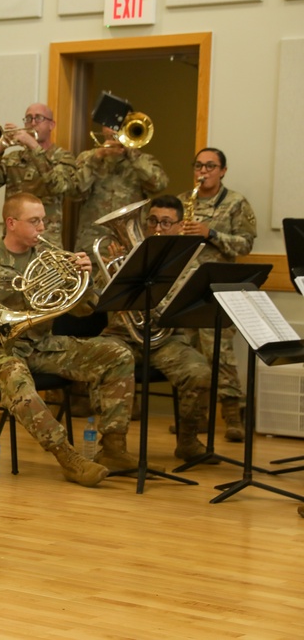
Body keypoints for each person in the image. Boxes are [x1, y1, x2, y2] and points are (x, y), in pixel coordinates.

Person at [0, 193, 138, 487]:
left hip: (40, 345)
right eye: (34, 221)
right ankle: (68, 458)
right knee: (15, 376)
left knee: (118, 354)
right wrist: (9, 325)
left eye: (43, 220)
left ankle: (114, 447)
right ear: (11, 223)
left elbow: (81, 310)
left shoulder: (50, 258)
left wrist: (86, 281)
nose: (42, 228)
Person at [99, 195, 216, 462]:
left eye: (165, 222)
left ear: (178, 225)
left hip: (165, 340)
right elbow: (97, 300)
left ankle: (187, 441)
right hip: (121, 337)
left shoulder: (188, 263)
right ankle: (112, 448)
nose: (158, 228)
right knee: (108, 363)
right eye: (152, 221)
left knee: (200, 373)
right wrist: (117, 272)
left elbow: (175, 306)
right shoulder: (122, 257)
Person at [179, 148, 256, 442]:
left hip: (219, 291)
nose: (204, 171)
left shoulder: (236, 202)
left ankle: (233, 416)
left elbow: (245, 244)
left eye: (210, 166)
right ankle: (196, 418)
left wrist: (210, 234)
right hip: (187, 288)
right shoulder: (185, 200)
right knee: (191, 353)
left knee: (220, 355)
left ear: (223, 171)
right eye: (198, 165)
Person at [0, 103, 79, 247]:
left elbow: (58, 186)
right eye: (28, 118)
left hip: (46, 242)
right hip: (13, 243)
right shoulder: (13, 158)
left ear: (51, 125)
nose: (32, 123)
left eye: (38, 118)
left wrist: (33, 146)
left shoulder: (63, 157)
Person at [74, 125, 169, 256]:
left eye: (121, 126)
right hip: (92, 244)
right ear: (103, 130)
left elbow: (159, 185)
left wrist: (132, 155)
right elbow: (74, 192)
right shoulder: (87, 158)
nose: (115, 131)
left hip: (129, 245)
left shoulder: (144, 160)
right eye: (110, 126)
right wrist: (97, 158)